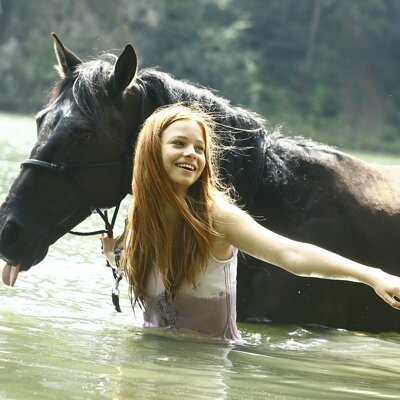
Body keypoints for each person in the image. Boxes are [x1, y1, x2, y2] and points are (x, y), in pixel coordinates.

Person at [102, 104, 400, 341]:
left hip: (206, 371)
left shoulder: (217, 217)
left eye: (199, 148)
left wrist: (373, 276)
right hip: (147, 360)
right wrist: (115, 254)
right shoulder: (139, 220)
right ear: (152, 152)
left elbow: (292, 255)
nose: (191, 154)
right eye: (179, 143)